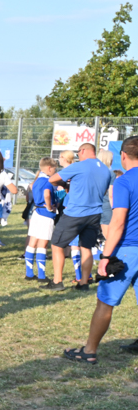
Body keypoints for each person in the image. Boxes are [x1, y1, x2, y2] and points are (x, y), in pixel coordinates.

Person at [63, 137, 138, 364]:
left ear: (123, 156)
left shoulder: (125, 182)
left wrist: (105, 256)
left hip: (127, 249)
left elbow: (117, 223)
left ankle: (89, 351)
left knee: (105, 301)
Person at [44, 143, 113, 291]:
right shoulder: (106, 171)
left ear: (83, 151)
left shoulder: (79, 166)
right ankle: (83, 283)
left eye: (78, 153)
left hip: (75, 213)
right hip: (95, 214)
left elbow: (52, 179)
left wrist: (66, 184)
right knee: (86, 247)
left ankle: (57, 281)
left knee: (57, 244)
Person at [25, 158, 58, 282]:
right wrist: (50, 207)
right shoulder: (48, 181)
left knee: (32, 242)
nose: (55, 171)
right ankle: (41, 275)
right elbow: (47, 194)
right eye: (55, 169)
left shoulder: (37, 180)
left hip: (36, 212)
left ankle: (29, 273)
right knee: (43, 244)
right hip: (45, 214)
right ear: (49, 168)